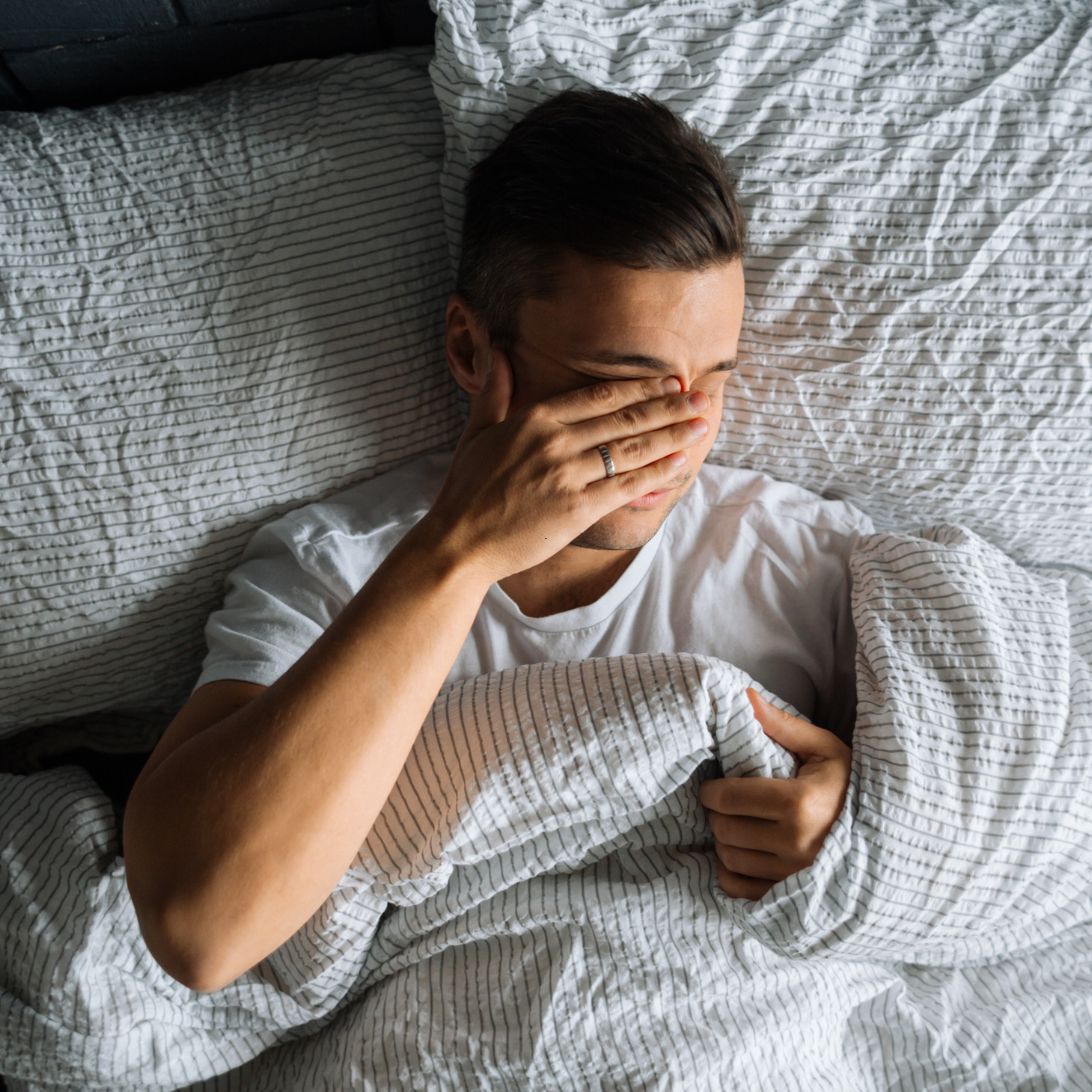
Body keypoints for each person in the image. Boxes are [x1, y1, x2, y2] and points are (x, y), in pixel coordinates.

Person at [122, 88, 873, 994]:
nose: (677, 438)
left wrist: (859, 826)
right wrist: (459, 553)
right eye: (618, 388)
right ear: (473, 350)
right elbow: (199, 932)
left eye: (711, 383)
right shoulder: (335, 568)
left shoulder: (806, 560)